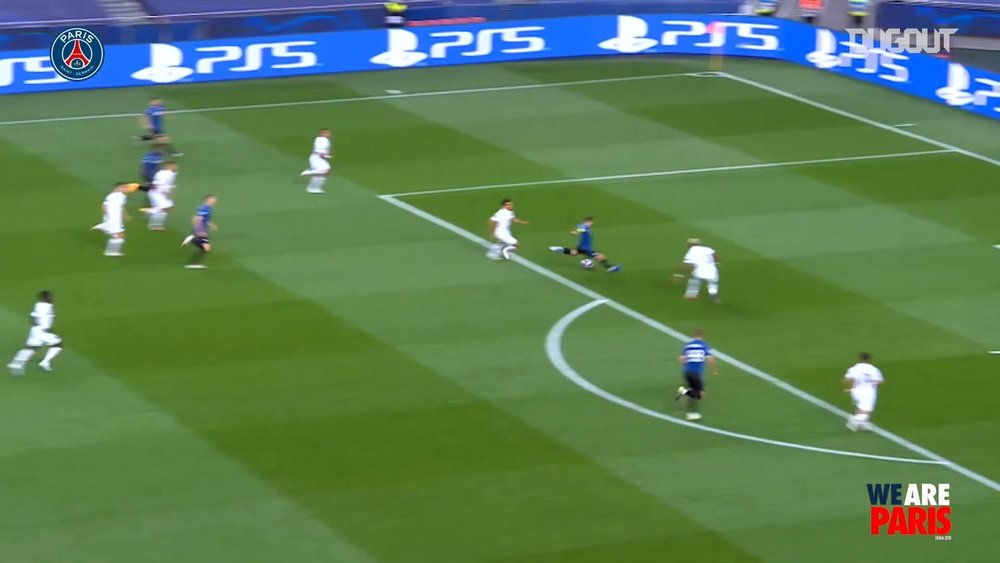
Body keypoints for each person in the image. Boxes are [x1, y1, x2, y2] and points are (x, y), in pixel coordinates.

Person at [7, 291, 62, 375]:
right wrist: (45, 329)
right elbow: (42, 319)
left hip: (36, 330)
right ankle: (45, 362)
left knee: (32, 348)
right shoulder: (46, 306)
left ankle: (16, 363)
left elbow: (33, 317)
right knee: (58, 345)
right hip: (43, 331)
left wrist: (36, 328)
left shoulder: (39, 305)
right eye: (49, 297)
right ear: (44, 297)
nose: (51, 298)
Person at [675, 328, 719, 421]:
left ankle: (691, 411)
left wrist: (687, 365)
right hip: (696, 373)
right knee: (700, 394)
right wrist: (714, 370)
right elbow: (710, 359)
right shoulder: (704, 345)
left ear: (693, 335)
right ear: (702, 336)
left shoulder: (687, 345)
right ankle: (684, 393)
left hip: (687, 372)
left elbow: (681, 359)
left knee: (693, 390)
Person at [548, 216, 621, 272]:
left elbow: (579, 230)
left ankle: (560, 249)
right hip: (586, 249)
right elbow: (581, 229)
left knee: (573, 253)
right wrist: (577, 232)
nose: (592, 223)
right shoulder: (584, 226)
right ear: (587, 221)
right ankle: (610, 267)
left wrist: (576, 232)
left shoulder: (583, 226)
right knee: (600, 256)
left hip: (581, 247)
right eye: (591, 222)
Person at [843, 352, 884, 431]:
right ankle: (855, 421)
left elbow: (846, 380)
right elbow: (880, 382)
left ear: (860, 359)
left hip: (856, 391)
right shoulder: (874, 369)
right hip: (868, 392)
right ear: (870, 360)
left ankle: (863, 424)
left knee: (860, 408)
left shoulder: (855, 368)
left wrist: (850, 389)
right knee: (866, 411)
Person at [91, 182, 130, 257]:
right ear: (117, 188)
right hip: (113, 218)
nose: (125, 189)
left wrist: (125, 214)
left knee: (118, 235)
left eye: (125, 187)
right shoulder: (112, 196)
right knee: (119, 236)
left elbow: (121, 206)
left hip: (115, 218)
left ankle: (101, 226)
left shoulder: (122, 196)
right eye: (123, 187)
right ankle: (110, 251)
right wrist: (107, 214)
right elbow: (104, 205)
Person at [181, 195, 218, 269]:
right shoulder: (205, 208)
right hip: (200, 230)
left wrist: (211, 225)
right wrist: (200, 230)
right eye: (213, 199)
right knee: (206, 248)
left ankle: (194, 263)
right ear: (207, 200)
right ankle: (192, 239)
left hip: (200, 230)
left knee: (205, 248)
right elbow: (197, 218)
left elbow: (204, 219)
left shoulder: (207, 208)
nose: (215, 200)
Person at [142, 161, 178, 230]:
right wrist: (165, 193)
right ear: (167, 166)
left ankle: (150, 212)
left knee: (168, 207)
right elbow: (157, 185)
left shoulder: (172, 173)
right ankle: (153, 225)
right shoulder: (162, 174)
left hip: (162, 192)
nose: (176, 167)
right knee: (163, 207)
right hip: (156, 192)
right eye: (173, 166)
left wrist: (170, 192)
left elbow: (170, 184)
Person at [300, 128, 332, 194]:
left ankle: (314, 188)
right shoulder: (323, 140)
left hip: (318, 158)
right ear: (321, 134)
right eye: (325, 133)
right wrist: (326, 156)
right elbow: (319, 152)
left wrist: (326, 155)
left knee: (325, 172)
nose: (328, 134)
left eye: (328, 133)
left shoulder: (321, 139)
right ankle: (310, 171)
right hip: (317, 158)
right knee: (325, 170)